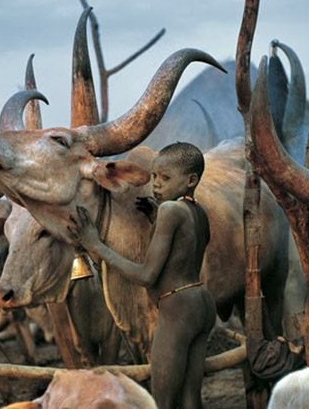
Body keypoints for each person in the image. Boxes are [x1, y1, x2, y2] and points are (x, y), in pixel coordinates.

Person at [68, 142, 215, 409]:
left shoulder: (171, 211)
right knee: (192, 399)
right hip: (201, 303)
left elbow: (147, 275)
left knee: (162, 401)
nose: (157, 185)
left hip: (178, 310)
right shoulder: (198, 211)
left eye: (166, 178)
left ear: (191, 180)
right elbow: (186, 249)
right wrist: (155, 218)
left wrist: (96, 245)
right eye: (155, 177)